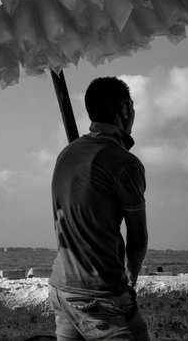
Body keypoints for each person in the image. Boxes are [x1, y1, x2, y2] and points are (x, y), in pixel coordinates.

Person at [48, 77, 149, 340]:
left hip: (62, 288)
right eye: (132, 107)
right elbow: (137, 237)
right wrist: (131, 280)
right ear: (124, 110)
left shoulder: (67, 153)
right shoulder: (124, 163)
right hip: (99, 295)